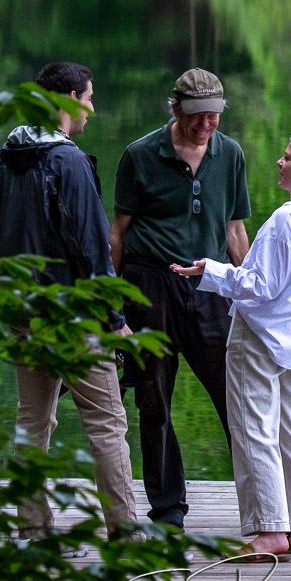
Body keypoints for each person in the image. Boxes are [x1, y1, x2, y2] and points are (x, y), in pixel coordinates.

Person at [0, 61, 137, 543]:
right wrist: (114, 320)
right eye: (89, 97)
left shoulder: (8, 154)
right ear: (69, 98)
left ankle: (32, 530)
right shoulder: (68, 161)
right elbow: (94, 247)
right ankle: (127, 534)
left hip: (25, 316)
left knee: (33, 422)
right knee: (107, 425)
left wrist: (0, 267)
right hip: (76, 320)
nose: (92, 107)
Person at [170, 129, 291, 558]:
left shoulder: (289, 219)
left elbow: (259, 285)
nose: (279, 163)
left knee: (254, 428)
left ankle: (269, 529)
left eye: (287, 158)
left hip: (262, 336)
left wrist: (208, 272)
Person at [110, 68, 251, 531]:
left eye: (213, 115)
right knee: (154, 400)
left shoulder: (230, 155)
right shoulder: (140, 155)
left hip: (209, 286)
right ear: (175, 109)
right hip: (150, 286)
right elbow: (119, 233)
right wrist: (109, 306)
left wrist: (250, 294)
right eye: (196, 115)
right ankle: (168, 512)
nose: (205, 124)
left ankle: (266, 506)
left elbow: (234, 231)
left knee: (238, 396)